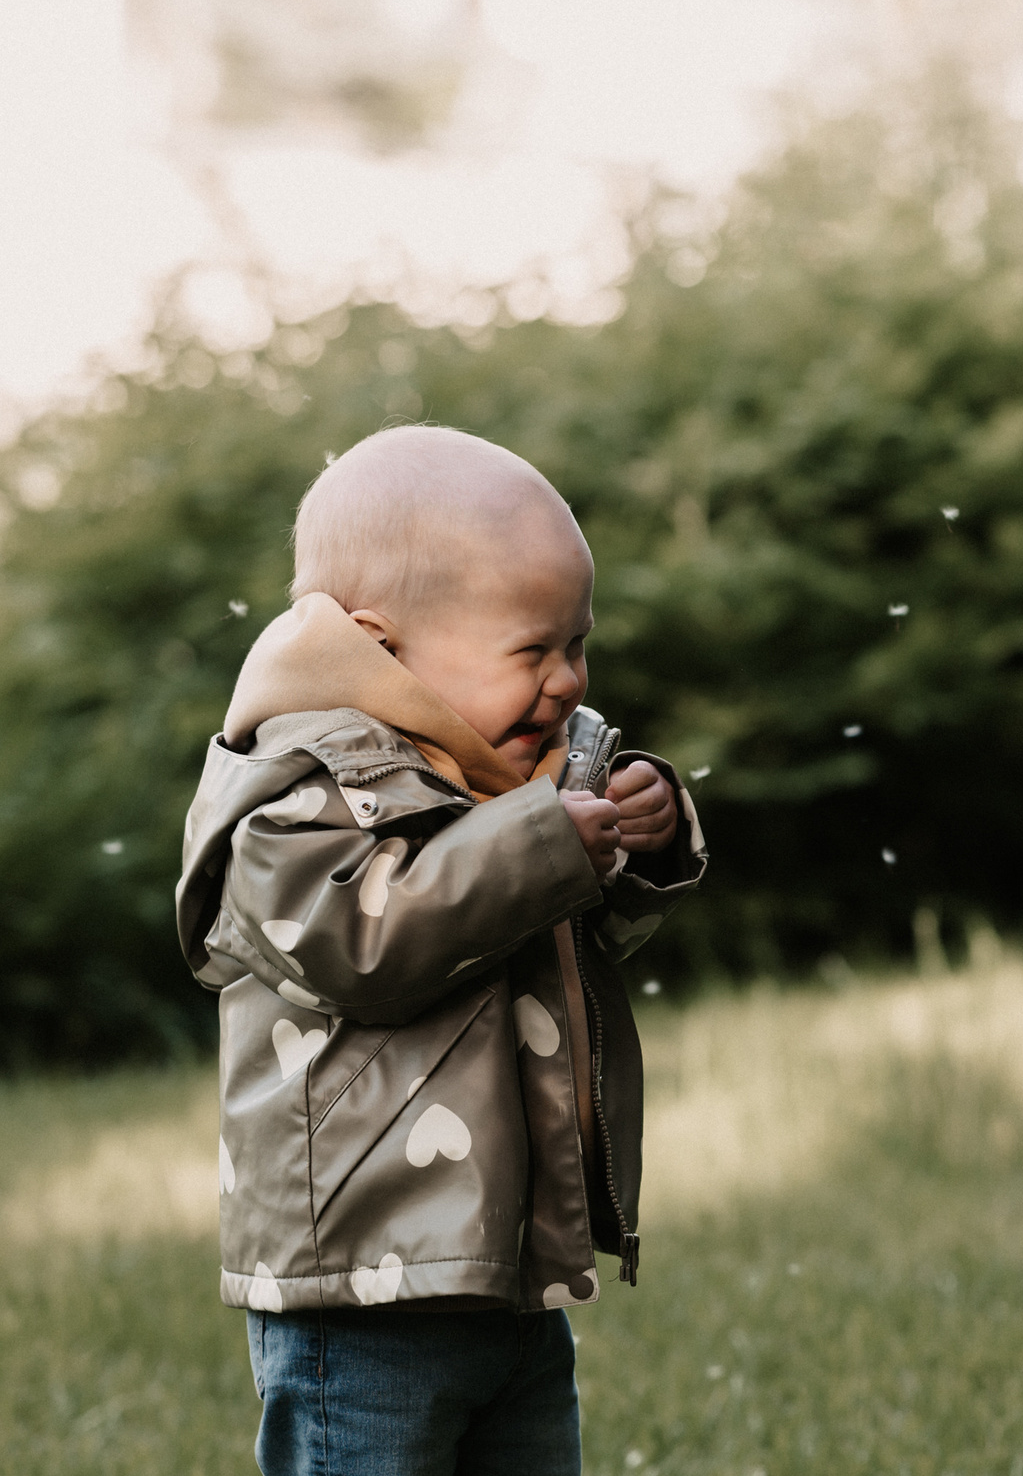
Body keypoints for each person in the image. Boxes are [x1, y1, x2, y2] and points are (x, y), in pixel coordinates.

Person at [176, 425, 709, 1476]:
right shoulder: (295, 790)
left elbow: (578, 941)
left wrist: (638, 846)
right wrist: (547, 839)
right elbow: (364, 944)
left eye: (577, 644)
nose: (565, 681)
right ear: (382, 646)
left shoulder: (514, 777)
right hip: (362, 1287)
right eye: (531, 648)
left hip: (500, 1256)